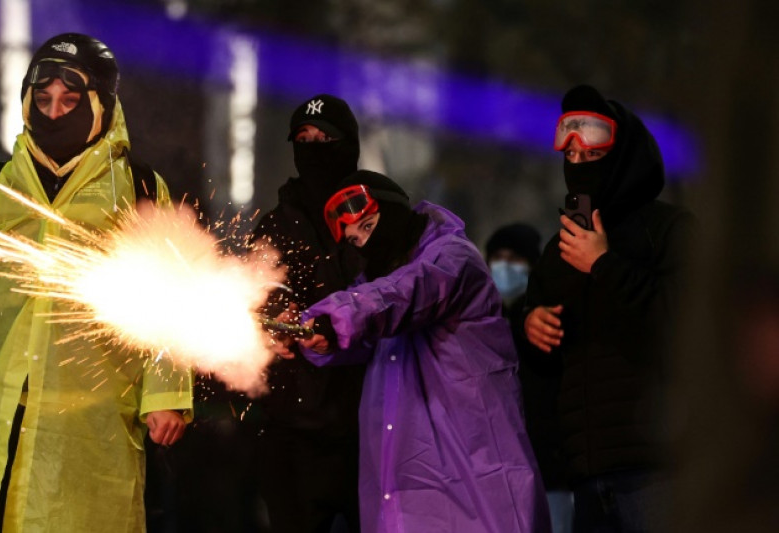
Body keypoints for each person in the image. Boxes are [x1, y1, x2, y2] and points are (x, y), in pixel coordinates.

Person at [0, 33, 192, 532]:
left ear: (101, 103)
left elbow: (171, 300)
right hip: (2, 413)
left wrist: (165, 394)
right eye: (43, 97)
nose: (54, 110)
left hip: (95, 421)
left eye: (71, 99)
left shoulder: (139, 189)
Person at [297, 170, 551, 533]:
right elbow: (366, 326)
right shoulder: (378, 291)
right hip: (407, 491)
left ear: (395, 212)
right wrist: (321, 338)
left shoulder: (451, 258)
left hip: (474, 482)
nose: (364, 244)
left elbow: (410, 291)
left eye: (368, 226)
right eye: (354, 240)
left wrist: (337, 317)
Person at [519, 84, 694, 531]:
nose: (578, 168)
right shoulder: (558, 251)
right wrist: (531, 327)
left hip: (659, 467)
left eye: (591, 157)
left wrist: (603, 264)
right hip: (587, 474)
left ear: (622, 158)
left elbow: (685, 323)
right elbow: (544, 365)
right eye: (570, 158)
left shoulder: (668, 230)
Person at [249, 94, 365, 532]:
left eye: (325, 138)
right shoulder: (275, 225)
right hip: (293, 430)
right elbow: (254, 294)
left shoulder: (374, 217)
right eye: (303, 137)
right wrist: (274, 318)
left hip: (367, 426)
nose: (313, 147)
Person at [486, 224, 574, 533]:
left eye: (515, 258)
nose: (504, 266)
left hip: (551, 468)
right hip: (505, 474)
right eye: (497, 257)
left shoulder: (547, 319)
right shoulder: (486, 325)